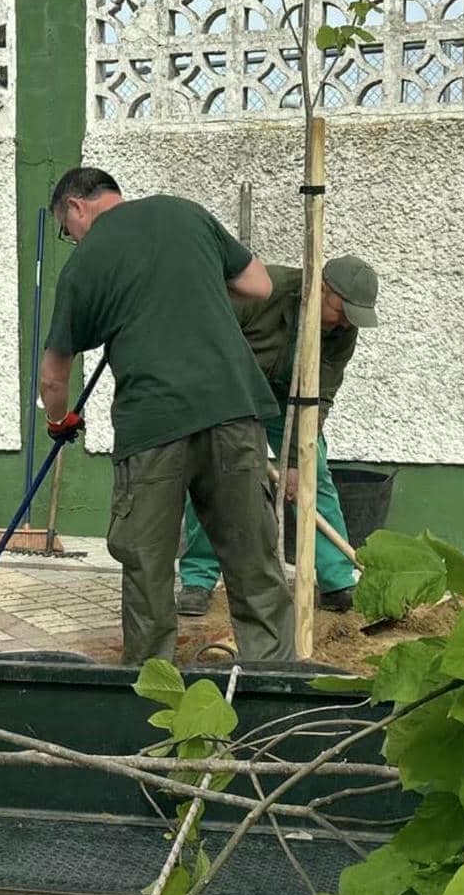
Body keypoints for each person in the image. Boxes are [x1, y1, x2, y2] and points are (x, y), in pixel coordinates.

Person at [38, 167, 296, 664]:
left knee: (148, 568)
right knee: (254, 564)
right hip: (233, 413)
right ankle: (273, 690)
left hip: (153, 428)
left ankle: (151, 692)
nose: (72, 240)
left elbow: (54, 377)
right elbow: (260, 285)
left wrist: (59, 420)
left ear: (75, 207)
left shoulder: (86, 262)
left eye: (66, 231)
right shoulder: (186, 213)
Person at [176, 256, 381, 618]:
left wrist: (292, 464)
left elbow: (323, 393)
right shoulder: (265, 291)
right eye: (343, 310)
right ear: (321, 288)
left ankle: (336, 580)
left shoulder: (344, 331)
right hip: (231, 388)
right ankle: (198, 579)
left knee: (313, 473)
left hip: (293, 398)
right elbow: (208, 337)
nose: (346, 321)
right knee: (214, 473)